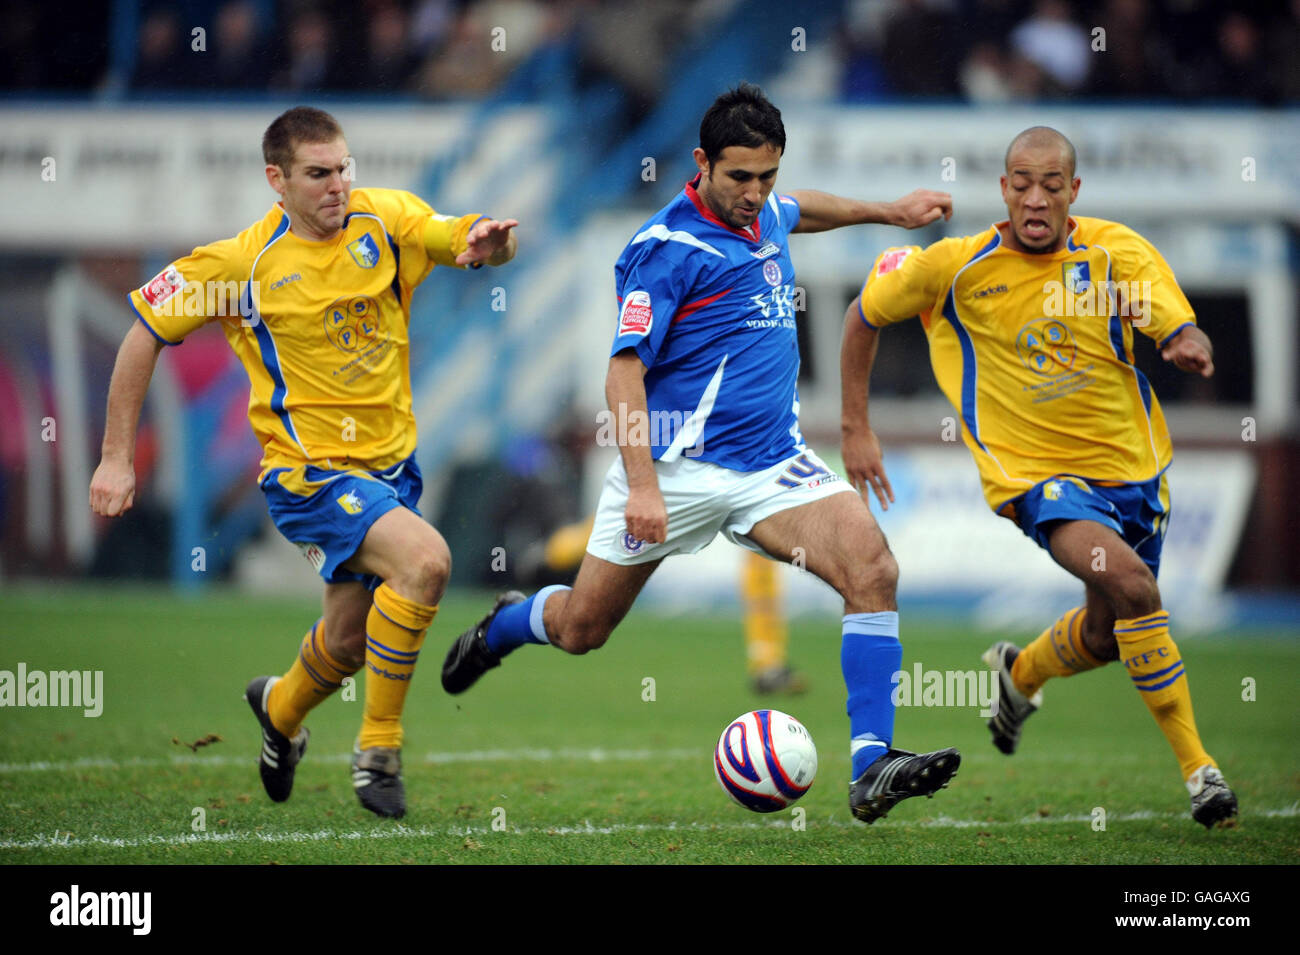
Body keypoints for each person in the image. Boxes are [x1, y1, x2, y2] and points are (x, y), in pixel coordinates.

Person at [442, 83, 960, 825]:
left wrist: (889, 211)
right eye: (739, 178)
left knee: (872, 566)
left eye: (766, 176)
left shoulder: (767, 213)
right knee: (582, 629)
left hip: (770, 465)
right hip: (674, 471)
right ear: (701, 164)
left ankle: (872, 761)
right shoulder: (666, 250)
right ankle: (504, 626)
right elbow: (623, 371)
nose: (756, 195)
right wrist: (646, 488)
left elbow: (801, 209)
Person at [89, 106, 518, 820]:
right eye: (318, 174)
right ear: (276, 180)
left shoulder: (383, 221)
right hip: (308, 475)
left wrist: (489, 245)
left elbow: (461, 240)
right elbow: (144, 334)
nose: (338, 185)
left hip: (390, 471)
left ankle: (280, 711)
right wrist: (114, 459)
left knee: (348, 643)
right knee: (427, 563)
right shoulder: (240, 264)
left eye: (344, 168)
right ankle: (378, 748)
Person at [842, 126, 1237, 828]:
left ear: (1073, 192)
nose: (1035, 197)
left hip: (1136, 471)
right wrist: (855, 428)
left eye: (1051, 185)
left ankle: (1019, 674)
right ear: (1002, 190)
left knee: (1109, 630)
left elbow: (1170, 318)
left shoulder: (1115, 252)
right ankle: (1200, 771)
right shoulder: (955, 268)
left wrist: (1185, 338)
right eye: (1021, 182)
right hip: (1037, 482)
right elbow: (863, 314)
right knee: (1136, 587)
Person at [542, 515, 808, 693]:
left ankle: (768, 663)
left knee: (759, 547)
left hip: (735, 455)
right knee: (633, 519)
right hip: (691, 454)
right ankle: (554, 553)